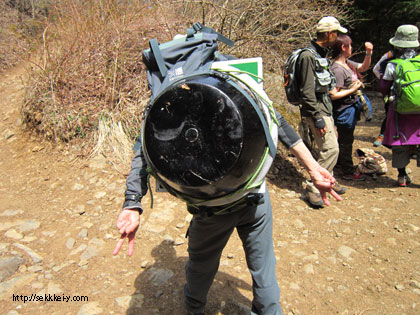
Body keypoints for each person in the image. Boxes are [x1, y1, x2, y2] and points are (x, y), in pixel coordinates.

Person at [113, 107, 343, 315]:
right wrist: (313, 168)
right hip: (254, 197)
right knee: (264, 267)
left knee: (201, 265)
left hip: (212, 208)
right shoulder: (232, 72)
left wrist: (133, 201)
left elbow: (144, 150)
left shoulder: (165, 92)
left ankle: (194, 308)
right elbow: (276, 121)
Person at [296, 16, 347, 207]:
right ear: (328, 33)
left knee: (329, 146)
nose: (337, 38)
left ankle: (328, 181)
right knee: (331, 148)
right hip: (317, 111)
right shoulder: (308, 56)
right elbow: (307, 91)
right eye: (336, 33)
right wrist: (316, 117)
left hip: (324, 108)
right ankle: (313, 186)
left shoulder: (319, 54)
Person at [329, 34, 373, 181]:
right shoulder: (337, 69)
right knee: (346, 140)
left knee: (345, 138)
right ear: (343, 47)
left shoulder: (347, 63)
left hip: (350, 108)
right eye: (350, 45)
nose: (352, 48)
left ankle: (341, 164)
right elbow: (333, 94)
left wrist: (368, 53)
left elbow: (364, 67)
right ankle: (347, 170)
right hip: (343, 110)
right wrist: (353, 89)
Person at [381, 24, 420, 187]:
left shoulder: (392, 64)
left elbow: (383, 87)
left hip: (400, 111)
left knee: (400, 141)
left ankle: (402, 176)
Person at [372, 50, 395, 147]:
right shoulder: (389, 55)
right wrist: (385, 81)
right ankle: (383, 135)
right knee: (389, 112)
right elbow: (376, 69)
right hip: (389, 92)